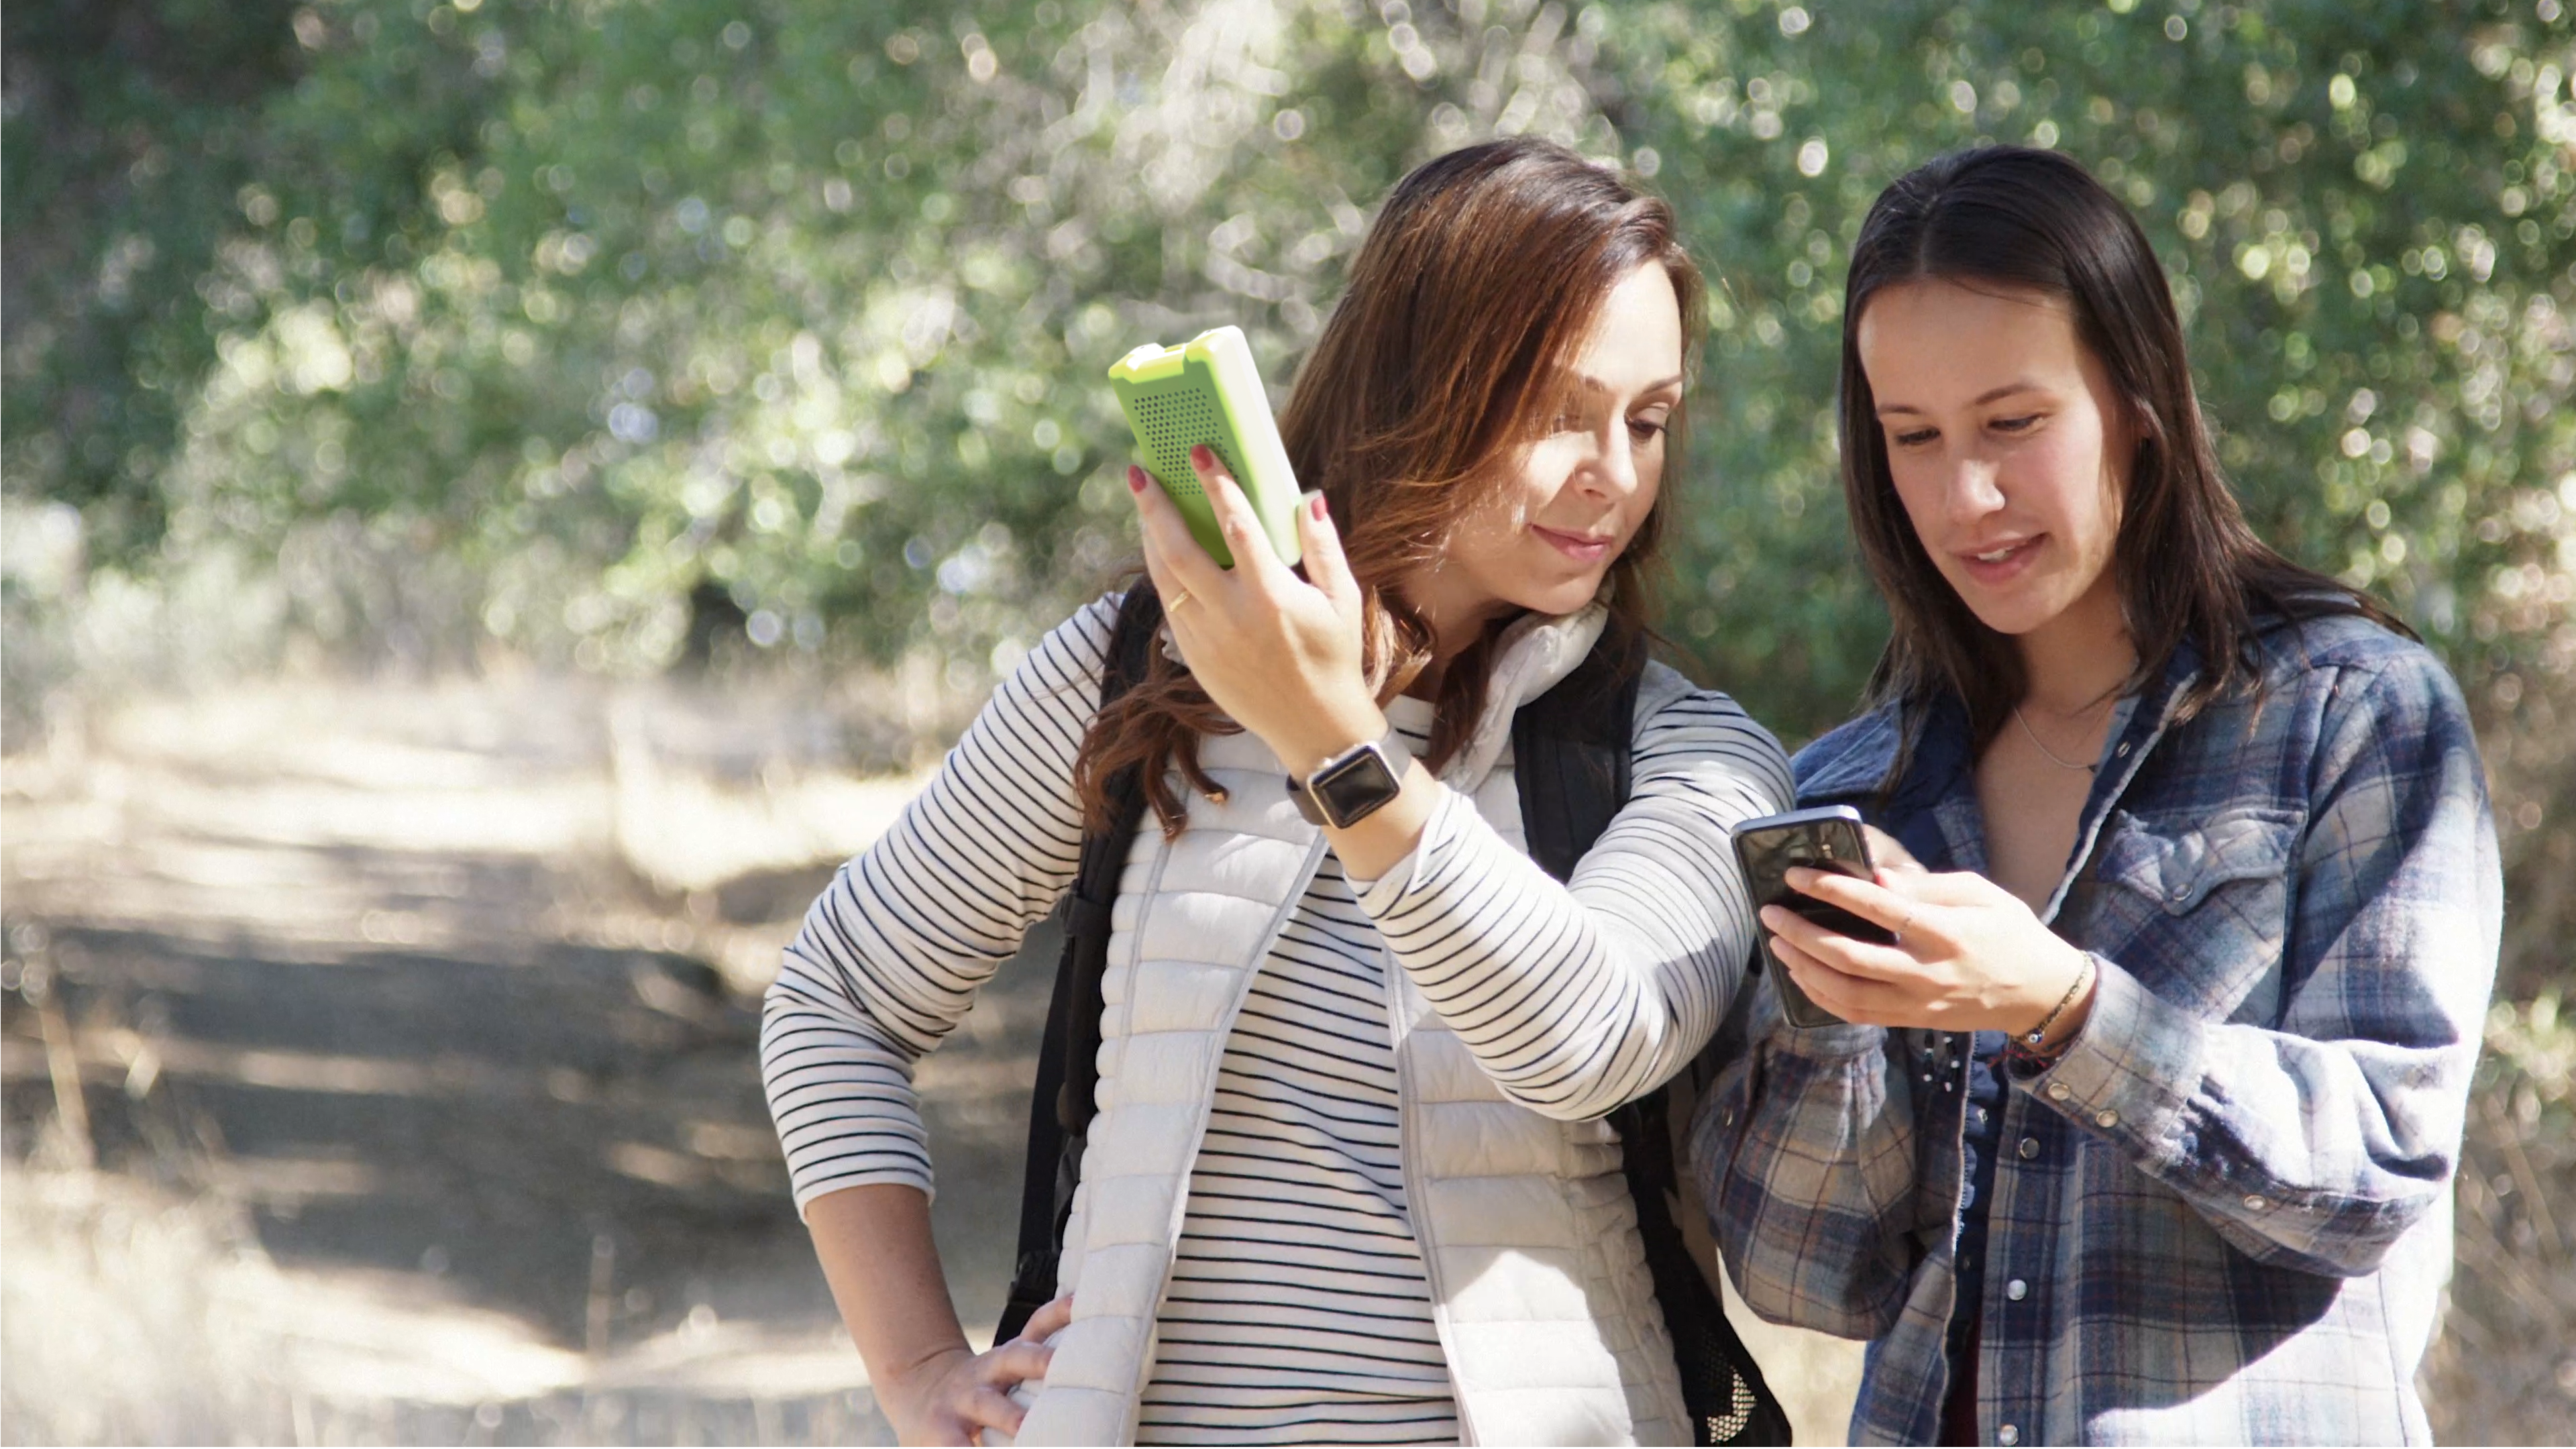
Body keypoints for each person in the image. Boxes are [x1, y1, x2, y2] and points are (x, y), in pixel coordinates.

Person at [763, 138, 1794, 1446]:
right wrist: (917, 1368)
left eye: (1648, 420)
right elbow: (833, 1001)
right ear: (1421, 387)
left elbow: (1587, 1041)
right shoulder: (1133, 676)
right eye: (1557, 409)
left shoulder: (1692, 753)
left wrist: (1333, 741)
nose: (1614, 473)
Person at [1695, 143, 2501, 1447]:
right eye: (1915, 438)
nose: (1968, 495)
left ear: (2137, 400)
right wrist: (1832, 1025)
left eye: (2014, 423)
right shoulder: (1855, 789)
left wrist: (2063, 1010)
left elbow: (2383, 1168)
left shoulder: (2351, 714)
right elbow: (1806, 1279)